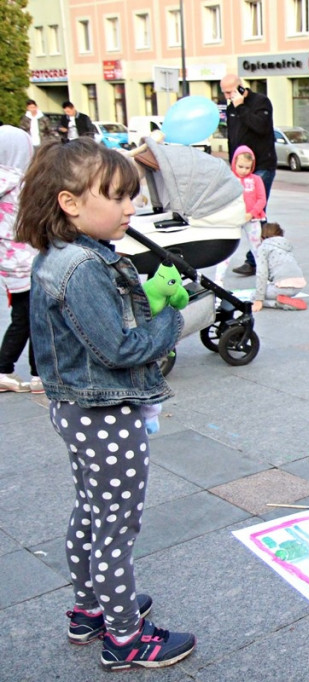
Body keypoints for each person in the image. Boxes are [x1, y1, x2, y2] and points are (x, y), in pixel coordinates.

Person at [15, 139, 195, 670]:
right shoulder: (83, 266)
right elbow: (119, 348)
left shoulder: (58, 256)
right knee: (116, 525)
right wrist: (172, 319)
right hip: (104, 412)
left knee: (91, 512)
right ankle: (125, 639)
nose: (130, 208)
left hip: (76, 407)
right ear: (70, 203)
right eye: (116, 198)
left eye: (131, 197)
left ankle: (90, 609)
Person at [221, 74, 276, 276]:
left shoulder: (261, 102)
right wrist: (232, 164)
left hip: (261, 165)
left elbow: (261, 127)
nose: (227, 96)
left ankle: (258, 259)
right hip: (240, 168)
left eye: (230, 92)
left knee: (258, 209)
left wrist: (242, 107)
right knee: (242, 208)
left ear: (241, 88)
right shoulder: (231, 107)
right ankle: (259, 258)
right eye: (224, 92)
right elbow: (232, 138)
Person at [0, 126, 41, 393]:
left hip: (8, 262)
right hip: (29, 260)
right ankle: (38, 374)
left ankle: (6, 369)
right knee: (36, 317)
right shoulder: (24, 185)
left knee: (24, 316)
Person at [252, 222, 307, 312]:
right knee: (271, 288)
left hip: (282, 288)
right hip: (298, 286)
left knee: (253, 296)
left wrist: (259, 299)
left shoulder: (263, 247)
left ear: (262, 237)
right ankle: (285, 298)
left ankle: (278, 303)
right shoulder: (286, 246)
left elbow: (262, 274)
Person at [231, 146, 267, 265]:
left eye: (248, 167)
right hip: (232, 219)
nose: (244, 170)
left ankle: (264, 276)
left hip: (252, 219)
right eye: (240, 166)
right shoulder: (229, 179)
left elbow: (262, 199)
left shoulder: (256, 179)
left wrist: (251, 213)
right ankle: (218, 279)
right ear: (234, 162)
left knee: (257, 248)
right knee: (226, 249)